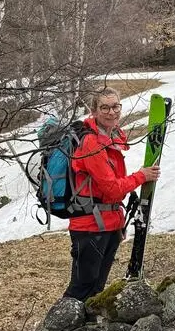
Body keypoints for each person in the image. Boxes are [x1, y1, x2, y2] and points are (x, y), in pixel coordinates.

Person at [63, 87, 160, 300]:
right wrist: (141, 176)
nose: (111, 112)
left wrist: (117, 222)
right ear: (94, 111)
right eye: (105, 107)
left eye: (115, 106)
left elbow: (109, 193)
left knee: (96, 289)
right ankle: (55, 330)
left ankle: (84, 330)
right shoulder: (91, 143)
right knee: (81, 288)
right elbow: (112, 188)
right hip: (90, 227)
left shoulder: (110, 138)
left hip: (105, 223)